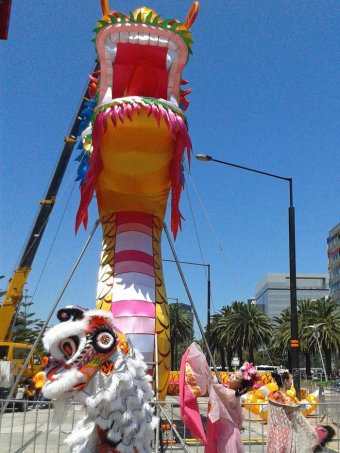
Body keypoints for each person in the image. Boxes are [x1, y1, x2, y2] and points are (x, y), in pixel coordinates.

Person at [266, 371, 335, 453]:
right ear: (286, 381)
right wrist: (312, 433)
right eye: (291, 380)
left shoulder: (272, 396)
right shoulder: (288, 400)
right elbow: (299, 419)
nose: (292, 383)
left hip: (273, 435)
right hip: (286, 436)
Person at [206, 363, 257, 453]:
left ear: (239, 385)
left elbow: (216, 385)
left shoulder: (231, 394)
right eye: (234, 374)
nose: (232, 376)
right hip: (225, 431)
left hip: (228, 434)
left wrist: (205, 366)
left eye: (236, 378)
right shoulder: (231, 393)